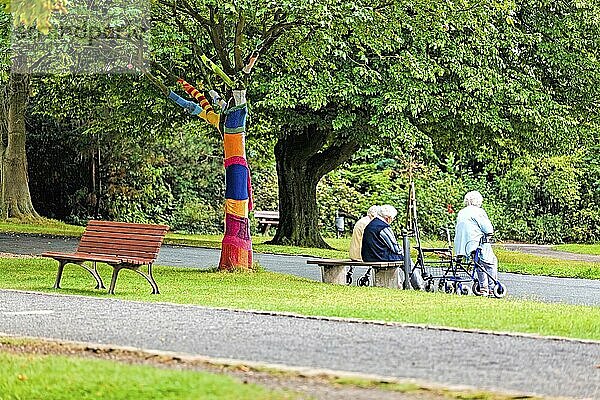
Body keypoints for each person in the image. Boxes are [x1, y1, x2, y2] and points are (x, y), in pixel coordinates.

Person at [361, 205, 425, 289]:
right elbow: (395, 247)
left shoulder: (371, 224)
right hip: (380, 257)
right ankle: (419, 286)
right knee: (406, 259)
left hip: (368, 256)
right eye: (393, 218)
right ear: (388, 218)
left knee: (403, 257)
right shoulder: (383, 227)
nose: (393, 220)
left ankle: (412, 283)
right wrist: (403, 251)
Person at [454, 190, 498, 296]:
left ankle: (483, 288)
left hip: (462, 246)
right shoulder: (479, 212)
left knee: (478, 264)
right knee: (491, 262)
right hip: (476, 243)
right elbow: (488, 230)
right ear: (478, 201)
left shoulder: (461, 212)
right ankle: (492, 288)